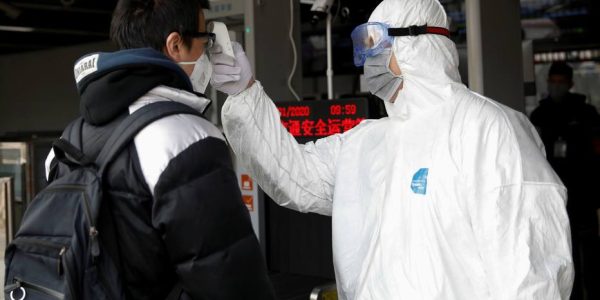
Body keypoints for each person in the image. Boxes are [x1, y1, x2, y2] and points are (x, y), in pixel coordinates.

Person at [210, 0, 574, 299]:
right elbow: (295, 175)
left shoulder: (488, 131)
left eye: (376, 44)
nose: (368, 60)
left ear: (417, 45)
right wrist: (245, 95)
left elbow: (530, 275)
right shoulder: (367, 142)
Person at [44, 0, 275, 299]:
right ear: (175, 44)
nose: (208, 52)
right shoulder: (187, 136)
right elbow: (230, 278)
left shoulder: (66, 142)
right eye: (205, 41)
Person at [530, 62, 600, 300]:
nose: (556, 86)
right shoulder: (540, 114)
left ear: (570, 84)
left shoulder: (586, 113)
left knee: (589, 251)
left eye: (561, 82)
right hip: (552, 193)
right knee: (560, 250)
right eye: (553, 81)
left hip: (583, 191)